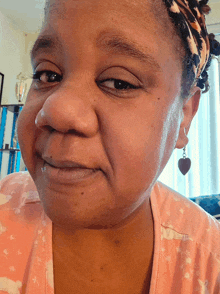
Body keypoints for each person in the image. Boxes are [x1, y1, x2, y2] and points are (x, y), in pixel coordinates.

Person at [1, 0, 220, 293]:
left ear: (184, 115)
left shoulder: (208, 259)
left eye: (119, 83)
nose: (56, 110)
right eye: (47, 75)